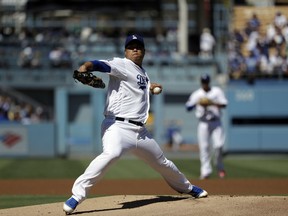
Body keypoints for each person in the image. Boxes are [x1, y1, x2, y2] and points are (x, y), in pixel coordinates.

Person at [63, 34, 208, 214]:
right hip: (118, 126)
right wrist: (85, 67)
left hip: (140, 131)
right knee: (112, 154)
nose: (135, 49)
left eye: (138, 46)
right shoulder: (122, 64)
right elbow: (99, 64)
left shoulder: (143, 74)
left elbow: (135, 86)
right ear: (125, 51)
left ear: (144, 51)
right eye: (131, 47)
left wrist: (149, 87)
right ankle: (77, 196)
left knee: (162, 162)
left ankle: (187, 188)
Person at [185, 74, 228, 180]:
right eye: (204, 82)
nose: (205, 84)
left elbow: (224, 104)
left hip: (216, 122)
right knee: (204, 148)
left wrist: (211, 102)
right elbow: (188, 107)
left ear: (209, 82)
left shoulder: (216, 91)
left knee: (219, 145)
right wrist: (197, 103)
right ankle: (205, 172)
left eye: (206, 82)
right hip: (203, 123)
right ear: (201, 82)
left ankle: (219, 166)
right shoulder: (197, 94)